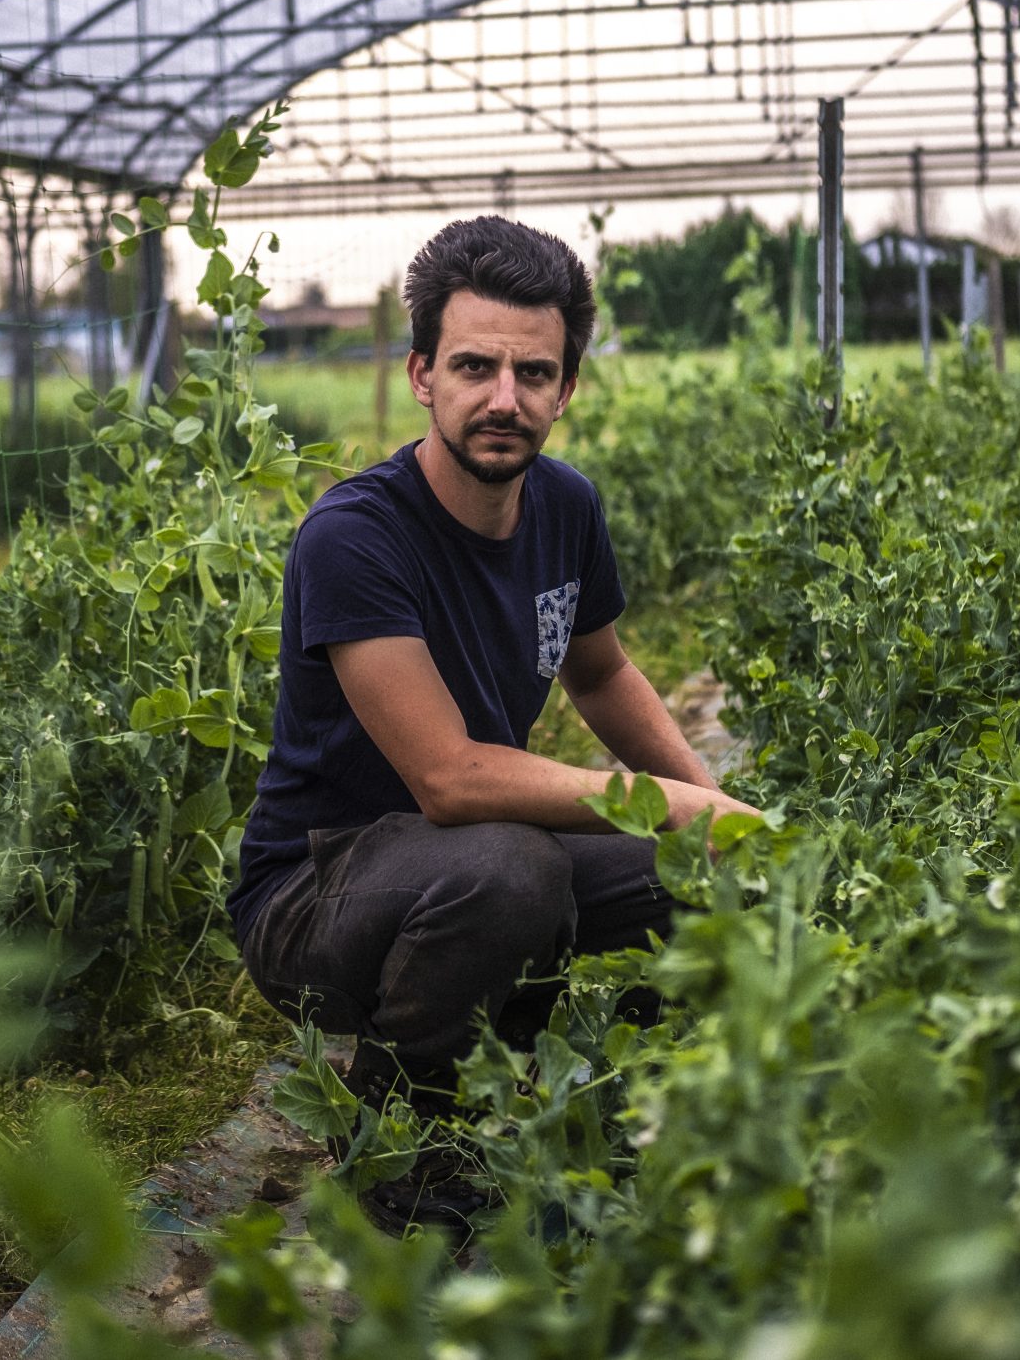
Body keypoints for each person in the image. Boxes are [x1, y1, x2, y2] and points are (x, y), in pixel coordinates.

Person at [228, 215, 759, 1236]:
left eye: (533, 373)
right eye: (474, 366)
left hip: (459, 862)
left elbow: (601, 673)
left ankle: (614, 1100)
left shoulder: (564, 506)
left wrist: (715, 816)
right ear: (423, 373)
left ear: (567, 388)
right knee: (514, 867)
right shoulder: (354, 537)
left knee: (689, 875)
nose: (503, 399)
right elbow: (450, 782)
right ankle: (403, 1145)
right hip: (315, 895)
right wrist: (672, 801)